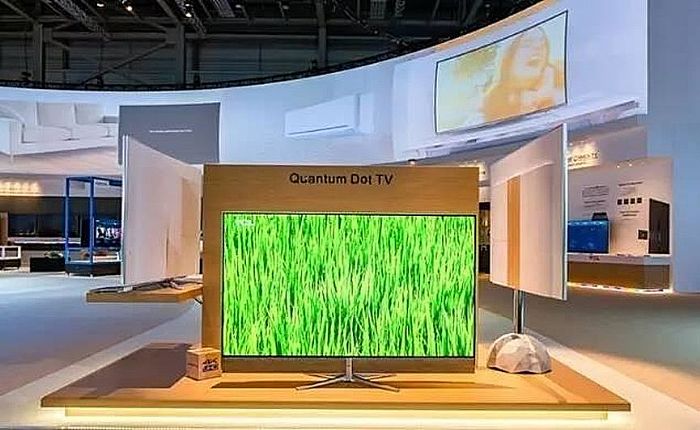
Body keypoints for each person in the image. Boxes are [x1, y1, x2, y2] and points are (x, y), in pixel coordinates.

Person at [482, 26, 565, 123]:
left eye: (542, 44)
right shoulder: (490, 103)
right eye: (527, 43)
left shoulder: (561, 85)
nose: (538, 47)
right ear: (508, 57)